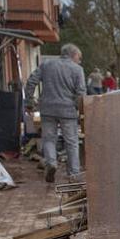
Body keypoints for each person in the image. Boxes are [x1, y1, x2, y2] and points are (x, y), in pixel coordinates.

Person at [25, 44, 86, 182]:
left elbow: (31, 81)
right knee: (71, 141)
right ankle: (74, 174)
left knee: (48, 139)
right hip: (68, 110)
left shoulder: (47, 65)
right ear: (74, 55)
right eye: (79, 57)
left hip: (47, 108)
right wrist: (80, 110)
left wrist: (29, 102)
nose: (80, 60)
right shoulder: (77, 70)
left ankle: (51, 163)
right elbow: (81, 93)